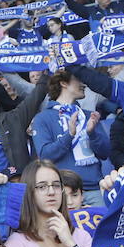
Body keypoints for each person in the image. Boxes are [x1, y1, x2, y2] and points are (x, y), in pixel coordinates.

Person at [33, 71, 110, 204]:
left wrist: (92, 133)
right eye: (78, 79)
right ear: (63, 83)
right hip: (63, 192)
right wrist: (69, 135)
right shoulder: (43, 118)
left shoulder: (88, 116)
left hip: (94, 189)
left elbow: (105, 153)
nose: (84, 84)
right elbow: (45, 156)